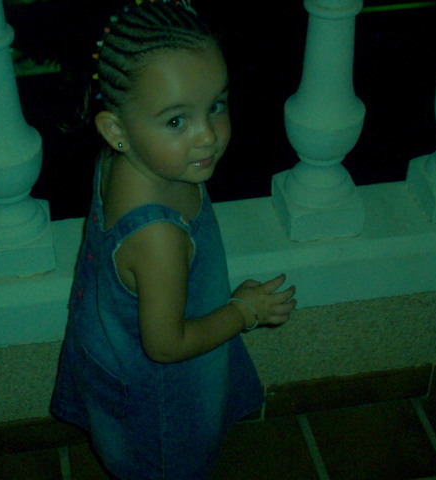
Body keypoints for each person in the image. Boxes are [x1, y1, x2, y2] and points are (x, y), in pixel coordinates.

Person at [51, 1, 296, 478]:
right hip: (160, 396)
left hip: (115, 356)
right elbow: (165, 345)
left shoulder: (131, 160)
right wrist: (245, 311)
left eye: (216, 106)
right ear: (116, 130)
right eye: (177, 121)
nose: (207, 136)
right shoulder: (158, 236)